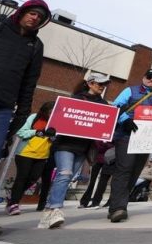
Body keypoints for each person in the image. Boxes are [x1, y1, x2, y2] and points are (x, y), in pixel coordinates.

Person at [0, 0, 50, 237]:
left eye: (40, 16)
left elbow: (30, 83)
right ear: (22, 12)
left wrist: (21, 115)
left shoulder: (35, 46)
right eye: (32, 13)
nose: (35, 18)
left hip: (4, 107)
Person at [39, 73, 111, 229]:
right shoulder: (74, 100)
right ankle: (55, 209)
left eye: (104, 84)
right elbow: (58, 119)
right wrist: (52, 129)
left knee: (68, 176)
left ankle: (47, 211)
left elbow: (104, 125)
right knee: (64, 174)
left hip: (83, 148)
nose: (102, 86)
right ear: (90, 83)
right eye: (99, 83)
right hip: (65, 144)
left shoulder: (104, 105)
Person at [107, 68, 152, 223]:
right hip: (126, 136)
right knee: (124, 169)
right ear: (143, 77)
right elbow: (116, 106)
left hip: (146, 139)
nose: (151, 80)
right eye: (149, 76)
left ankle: (116, 204)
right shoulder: (130, 91)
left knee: (135, 172)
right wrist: (125, 120)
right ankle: (118, 208)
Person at [6, 101, 55, 216]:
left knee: (33, 178)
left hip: (42, 155)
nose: (51, 114)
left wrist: (53, 136)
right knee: (22, 177)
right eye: (50, 112)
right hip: (25, 153)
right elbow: (21, 132)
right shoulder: (34, 117)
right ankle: (13, 204)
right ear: (45, 111)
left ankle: (13, 196)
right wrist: (37, 132)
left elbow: (56, 140)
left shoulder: (56, 123)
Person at [79, 140, 114, 208]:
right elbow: (96, 145)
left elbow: (113, 146)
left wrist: (105, 145)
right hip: (98, 160)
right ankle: (85, 202)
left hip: (108, 160)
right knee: (92, 181)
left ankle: (96, 202)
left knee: (103, 182)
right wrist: (104, 144)